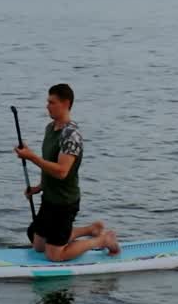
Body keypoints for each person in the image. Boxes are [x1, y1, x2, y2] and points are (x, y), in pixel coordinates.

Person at [15, 83, 120, 260]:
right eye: (47, 101)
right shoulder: (50, 128)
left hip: (64, 203)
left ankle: (102, 240)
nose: (47, 105)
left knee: (54, 255)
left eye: (52, 102)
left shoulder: (71, 135)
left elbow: (62, 171)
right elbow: (50, 162)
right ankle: (90, 229)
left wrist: (31, 157)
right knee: (38, 245)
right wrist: (39, 187)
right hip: (49, 198)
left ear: (65, 103)